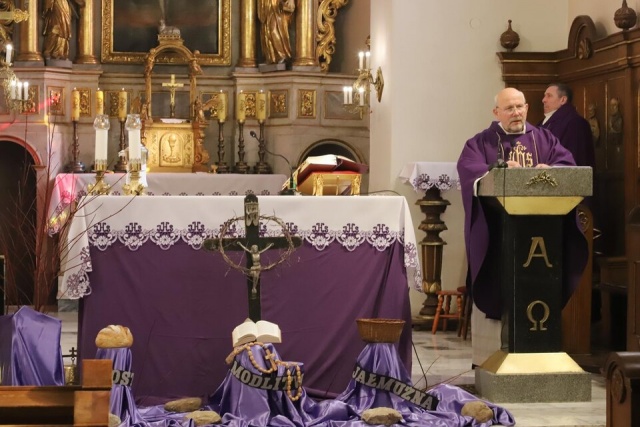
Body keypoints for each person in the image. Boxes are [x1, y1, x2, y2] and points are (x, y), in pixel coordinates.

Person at [457, 87, 588, 366]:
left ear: (527, 108)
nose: (516, 113)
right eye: (509, 108)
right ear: (496, 112)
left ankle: (538, 357)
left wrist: (552, 171)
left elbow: (568, 166)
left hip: (545, 235)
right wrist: (499, 171)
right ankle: (492, 361)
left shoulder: (545, 138)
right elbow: (469, 171)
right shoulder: (480, 142)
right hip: (498, 238)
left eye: (520, 107)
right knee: (500, 290)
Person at [540, 83, 596, 168]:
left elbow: (575, 159)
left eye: (549, 96)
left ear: (563, 100)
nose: (543, 100)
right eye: (544, 96)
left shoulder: (575, 123)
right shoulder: (545, 122)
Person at [257, 0, 295, 64]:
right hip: (267, 6)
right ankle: (271, 57)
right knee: (267, 32)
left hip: (278, 7)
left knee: (274, 30)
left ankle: (282, 55)